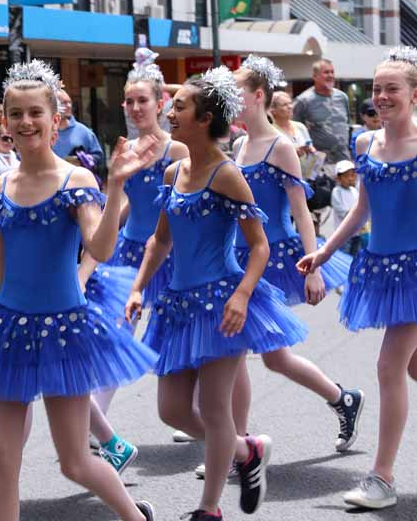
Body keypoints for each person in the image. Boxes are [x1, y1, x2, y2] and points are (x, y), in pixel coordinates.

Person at [0, 60, 159, 521]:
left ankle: (135, 517)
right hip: (5, 329)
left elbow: (99, 248)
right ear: (4, 121)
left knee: (75, 461)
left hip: (64, 329)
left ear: (55, 119)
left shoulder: (75, 180)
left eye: (35, 113)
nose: (26, 122)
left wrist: (116, 184)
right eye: (15, 114)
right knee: (2, 460)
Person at [128, 66, 309, 519]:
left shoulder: (228, 174)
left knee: (213, 407)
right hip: (177, 305)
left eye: (180, 105)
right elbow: (160, 241)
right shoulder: (173, 173)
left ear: (205, 117)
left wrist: (243, 295)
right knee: (172, 410)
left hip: (222, 303)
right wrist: (137, 289)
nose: (170, 111)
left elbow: (260, 246)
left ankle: (209, 509)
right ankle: (245, 451)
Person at [215, 57, 361, 477]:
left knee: (250, 353)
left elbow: (300, 210)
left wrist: (314, 266)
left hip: (276, 258)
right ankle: (241, 443)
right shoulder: (239, 145)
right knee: (250, 354)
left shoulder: (280, 145)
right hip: (242, 259)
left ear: (258, 96)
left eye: (237, 93)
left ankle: (237, 446)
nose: (232, 101)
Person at [298, 46, 417, 510]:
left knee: (390, 366)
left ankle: (381, 478)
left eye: (392, 88)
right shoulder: (365, 144)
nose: (382, 97)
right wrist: (324, 250)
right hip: (383, 266)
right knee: (409, 368)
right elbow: (364, 209)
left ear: (413, 94)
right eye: (376, 89)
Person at [79, 57, 190, 449]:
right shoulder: (126, 148)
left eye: (142, 100)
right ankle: (98, 421)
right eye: (129, 101)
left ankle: (195, 412)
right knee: (116, 331)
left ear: (161, 103)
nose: (135, 107)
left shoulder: (176, 150)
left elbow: (182, 210)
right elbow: (123, 204)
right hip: (129, 249)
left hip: (168, 253)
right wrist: (90, 260)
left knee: (179, 333)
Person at [293, 59, 351, 164]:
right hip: (318, 164)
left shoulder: (342, 97)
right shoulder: (303, 101)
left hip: (343, 161)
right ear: (315, 76)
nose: (330, 75)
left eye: (332, 72)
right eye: (326, 72)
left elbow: (347, 125)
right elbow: (295, 130)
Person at [269, 91, 322, 179]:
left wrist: (311, 151)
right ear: (273, 110)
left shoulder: (300, 127)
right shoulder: (271, 131)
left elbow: (312, 150)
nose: (290, 107)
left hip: (306, 179)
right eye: (284, 105)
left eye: (290, 103)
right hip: (284, 180)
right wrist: (293, 153)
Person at [53, 90, 105, 174]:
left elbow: (98, 156)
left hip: (78, 181)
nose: (69, 106)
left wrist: (85, 160)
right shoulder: (46, 131)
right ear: (52, 106)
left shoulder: (84, 132)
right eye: (64, 103)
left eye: (70, 102)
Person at [330, 160, 366, 256]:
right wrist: (356, 215)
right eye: (346, 176)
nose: (350, 178)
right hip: (343, 233)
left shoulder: (354, 191)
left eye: (352, 175)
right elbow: (341, 211)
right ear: (338, 178)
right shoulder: (336, 192)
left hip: (357, 232)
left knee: (356, 254)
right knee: (344, 255)